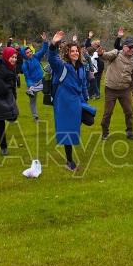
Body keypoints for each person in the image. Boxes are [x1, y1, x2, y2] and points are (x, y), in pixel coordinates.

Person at [48, 31, 90, 171]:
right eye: (72, 51)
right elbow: (52, 59)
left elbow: (83, 86)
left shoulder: (82, 68)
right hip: (64, 103)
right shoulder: (62, 67)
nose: (75, 53)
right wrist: (53, 44)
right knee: (68, 130)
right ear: (67, 53)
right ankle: (69, 161)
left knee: (76, 128)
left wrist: (85, 102)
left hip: (77, 103)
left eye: (76, 51)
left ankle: (70, 159)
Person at [100, 35, 133, 140]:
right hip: (110, 89)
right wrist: (101, 53)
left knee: (129, 112)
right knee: (108, 113)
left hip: (125, 90)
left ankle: (129, 132)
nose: (131, 49)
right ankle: (105, 132)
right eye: (130, 47)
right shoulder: (116, 53)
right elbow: (105, 56)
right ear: (124, 47)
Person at [20, 34, 49, 122]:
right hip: (32, 83)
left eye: (30, 52)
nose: (30, 53)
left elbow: (44, 50)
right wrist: (31, 86)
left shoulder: (36, 56)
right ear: (24, 55)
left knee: (48, 86)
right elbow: (27, 77)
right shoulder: (25, 65)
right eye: (27, 53)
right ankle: (35, 117)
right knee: (33, 102)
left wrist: (45, 41)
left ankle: (32, 90)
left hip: (41, 80)